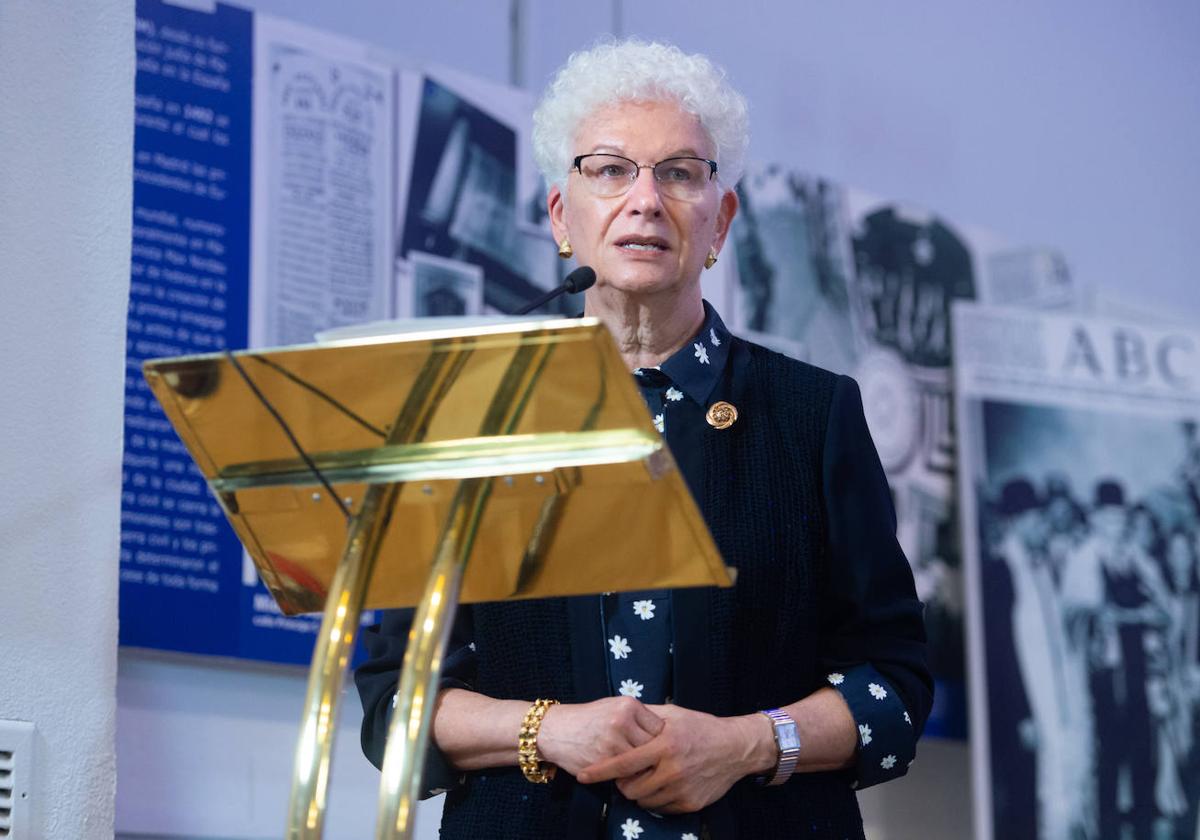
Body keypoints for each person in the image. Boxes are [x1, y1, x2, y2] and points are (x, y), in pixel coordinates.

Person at [356, 39, 931, 839]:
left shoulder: (813, 414)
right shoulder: (471, 414)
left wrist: (745, 745)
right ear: (562, 215)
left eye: (679, 173)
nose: (645, 200)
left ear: (720, 221)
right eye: (609, 170)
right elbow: (396, 698)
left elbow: (895, 686)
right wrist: (549, 728)